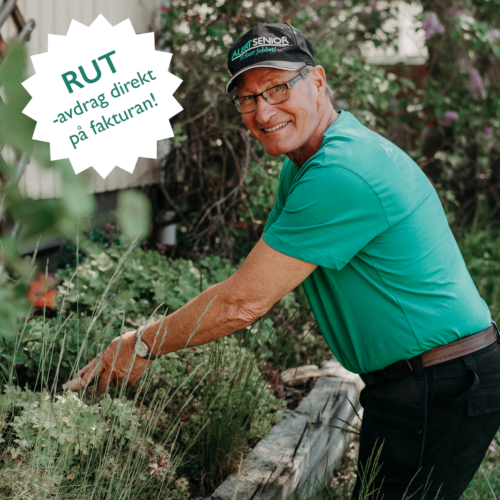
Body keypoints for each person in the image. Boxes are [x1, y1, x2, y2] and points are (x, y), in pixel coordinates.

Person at [66, 23, 500, 500]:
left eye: (277, 88)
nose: (263, 111)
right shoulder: (306, 164)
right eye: (248, 98)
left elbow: (243, 303)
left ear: (317, 81)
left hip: (442, 385)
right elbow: (258, 277)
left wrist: (141, 344)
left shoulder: (341, 172)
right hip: (415, 382)